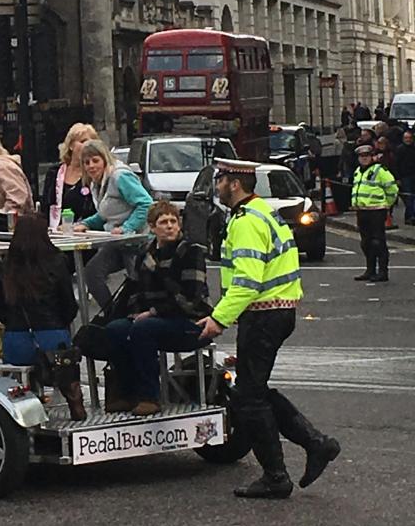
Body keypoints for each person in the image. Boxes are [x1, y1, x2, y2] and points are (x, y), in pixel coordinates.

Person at [196, 158, 340, 499]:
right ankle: (316, 444)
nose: (216, 186)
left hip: (263, 314)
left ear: (234, 183)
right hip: (277, 312)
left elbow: (246, 282)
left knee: (249, 398)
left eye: (220, 180)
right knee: (254, 390)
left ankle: (277, 476)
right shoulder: (261, 211)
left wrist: (219, 319)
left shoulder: (246, 221)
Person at [103, 202, 211, 416]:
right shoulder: (146, 252)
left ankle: (149, 397)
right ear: (152, 227)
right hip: (154, 318)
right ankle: (125, 393)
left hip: (191, 321)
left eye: (173, 221)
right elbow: (134, 290)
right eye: (163, 222)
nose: (169, 226)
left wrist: (153, 312)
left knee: (144, 329)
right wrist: (133, 312)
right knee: (116, 329)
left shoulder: (191, 252)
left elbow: (191, 298)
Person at [0, 216, 86, 421]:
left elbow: (0, 310)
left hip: (17, 340)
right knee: (65, 356)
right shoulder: (58, 261)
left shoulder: (5, 266)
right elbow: (69, 305)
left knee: (23, 360)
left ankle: (28, 403)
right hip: (52, 338)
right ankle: (73, 395)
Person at [73, 139, 153, 310]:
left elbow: (146, 204)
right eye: (86, 162)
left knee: (138, 285)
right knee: (92, 273)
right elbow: (105, 214)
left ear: (105, 159)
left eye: (95, 160)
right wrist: (85, 224)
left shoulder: (120, 176)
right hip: (118, 242)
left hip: (138, 242)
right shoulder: (96, 183)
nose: (91, 166)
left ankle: (136, 321)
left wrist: (127, 227)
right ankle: (112, 314)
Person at [351, 144, 398, 282]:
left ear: (373, 157)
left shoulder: (380, 170)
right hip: (362, 211)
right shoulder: (358, 171)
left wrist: (387, 205)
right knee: (366, 242)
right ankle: (370, 270)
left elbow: (392, 189)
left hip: (377, 211)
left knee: (378, 242)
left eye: (366, 156)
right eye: (361, 156)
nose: (364, 159)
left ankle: (383, 272)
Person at [39, 123, 98, 229]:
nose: (87, 145)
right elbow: (45, 206)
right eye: (83, 141)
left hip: (84, 232)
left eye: (91, 142)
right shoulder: (54, 173)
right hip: (55, 232)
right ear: (71, 145)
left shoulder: (94, 172)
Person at [395, 130, 415, 225]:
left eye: (410, 138)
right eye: (406, 138)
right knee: (408, 197)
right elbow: (396, 165)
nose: (408, 140)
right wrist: (398, 178)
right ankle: (409, 217)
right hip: (405, 176)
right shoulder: (399, 149)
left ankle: (412, 216)